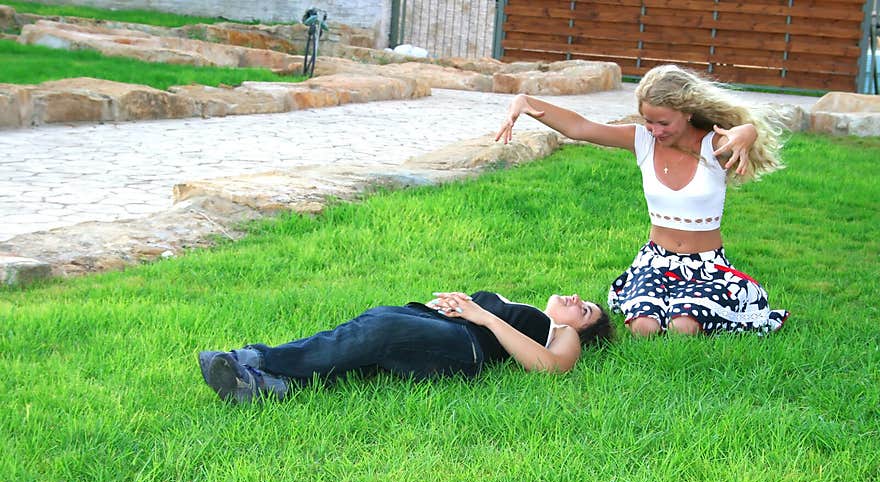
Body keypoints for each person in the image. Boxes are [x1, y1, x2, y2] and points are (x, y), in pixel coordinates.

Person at [495, 63, 790, 337]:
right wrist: (525, 103)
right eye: (649, 121)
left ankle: (700, 306)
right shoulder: (642, 141)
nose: (656, 130)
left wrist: (747, 134)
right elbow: (580, 127)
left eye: (663, 122)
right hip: (655, 261)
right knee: (644, 328)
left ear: (687, 112)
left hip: (707, 267)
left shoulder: (712, 145)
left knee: (683, 326)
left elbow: (745, 131)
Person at [198, 290, 613, 404]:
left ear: (583, 329)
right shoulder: (524, 308)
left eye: (587, 310)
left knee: (383, 326)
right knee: (375, 326)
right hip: (444, 326)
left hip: (465, 349)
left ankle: (254, 362)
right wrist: (451, 305)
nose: (578, 302)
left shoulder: (564, 333)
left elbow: (553, 367)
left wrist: (483, 317)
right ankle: (275, 385)